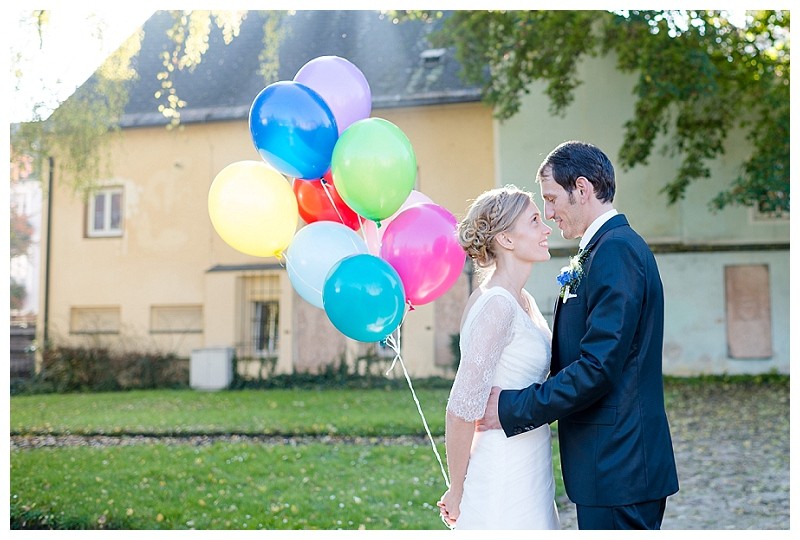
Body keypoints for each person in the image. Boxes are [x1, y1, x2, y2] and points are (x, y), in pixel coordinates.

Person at [478, 141, 679, 529]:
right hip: (610, 466)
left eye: (551, 199)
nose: (549, 214)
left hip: (620, 467)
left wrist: (510, 408)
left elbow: (597, 368)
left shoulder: (615, 252)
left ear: (582, 189)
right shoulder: (605, 249)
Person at [437, 185, 560, 530]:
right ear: (506, 239)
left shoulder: (523, 300)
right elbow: (461, 408)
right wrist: (457, 489)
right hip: (504, 469)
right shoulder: (497, 305)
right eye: (535, 221)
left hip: (532, 461)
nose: (546, 227)